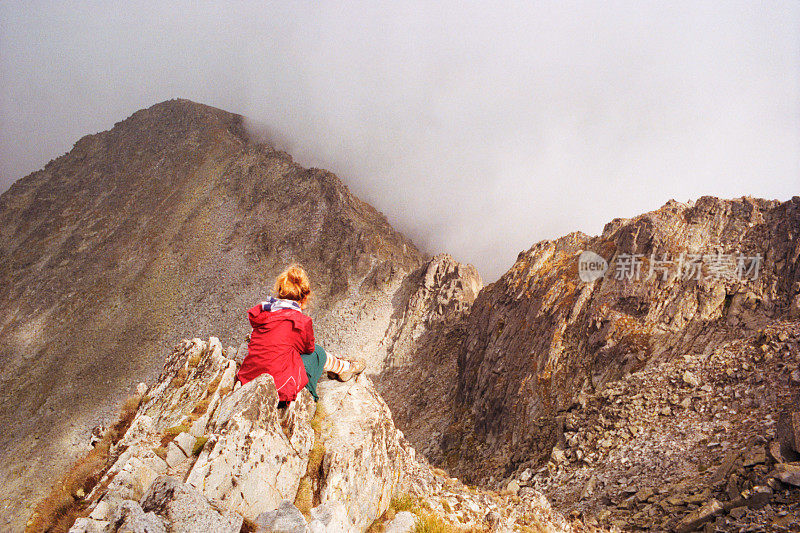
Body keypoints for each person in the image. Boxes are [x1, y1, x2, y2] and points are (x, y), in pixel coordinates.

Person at [236, 264, 365, 403]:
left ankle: (341, 367)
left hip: (248, 382)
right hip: (277, 391)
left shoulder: (264, 312)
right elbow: (308, 349)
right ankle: (344, 368)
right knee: (317, 353)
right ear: (304, 298)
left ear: (279, 292)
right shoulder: (300, 321)